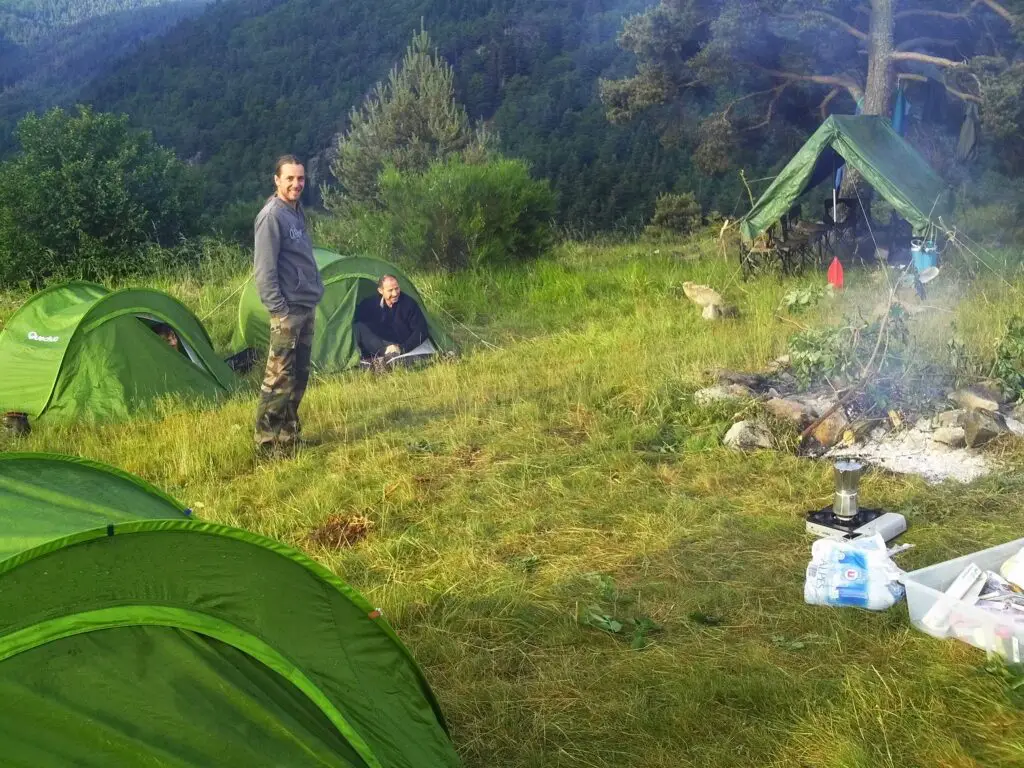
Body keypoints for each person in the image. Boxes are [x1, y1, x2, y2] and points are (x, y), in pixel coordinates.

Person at [252, 155, 324, 456]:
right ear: (277, 180)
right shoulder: (271, 217)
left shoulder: (296, 211)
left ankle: (289, 438)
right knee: (278, 380)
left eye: (301, 179)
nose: (297, 184)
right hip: (288, 312)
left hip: (305, 307)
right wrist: (279, 310)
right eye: (290, 179)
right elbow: (264, 271)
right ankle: (267, 444)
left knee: (298, 377)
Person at [354, 275, 429, 363]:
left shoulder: (409, 304)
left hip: (400, 343)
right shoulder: (370, 303)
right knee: (358, 327)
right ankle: (382, 354)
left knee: (392, 348)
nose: (395, 293)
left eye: (397, 288)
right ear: (380, 291)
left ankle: (389, 355)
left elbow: (421, 331)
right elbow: (358, 318)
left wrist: (402, 348)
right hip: (380, 341)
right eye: (390, 290)